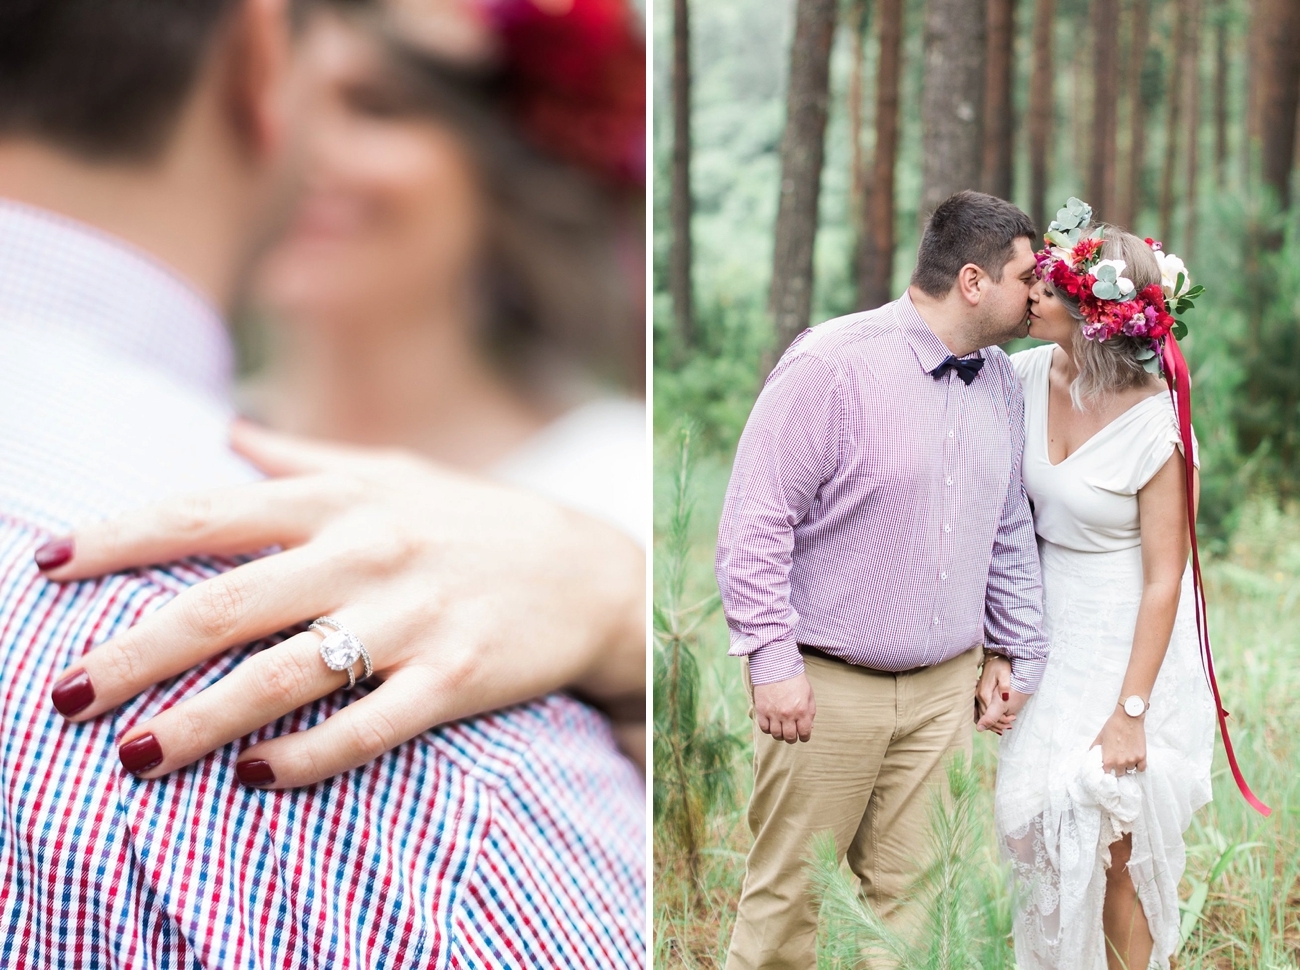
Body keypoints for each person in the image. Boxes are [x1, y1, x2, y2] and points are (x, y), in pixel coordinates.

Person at [0, 0, 643, 965]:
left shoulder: (623, 476)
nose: (319, 151)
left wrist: (626, 618)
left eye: (378, 108)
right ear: (264, 76)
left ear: (495, 163)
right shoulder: (184, 445)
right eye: (318, 97)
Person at [714, 190, 1049, 970]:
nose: (1039, 292)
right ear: (973, 281)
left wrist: (1015, 652)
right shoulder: (830, 365)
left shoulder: (999, 379)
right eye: (1026, 276)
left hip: (942, 697)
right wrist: (772, 662)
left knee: (913, 915)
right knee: (789, 907)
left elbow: (1006, 530)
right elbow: (754, 522)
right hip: (827, 692)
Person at [987, 199, 1216, 970]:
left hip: (1128, 639)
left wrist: (1131, 713)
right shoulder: (1018, 376)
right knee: (1032, 828)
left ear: (1098, 316)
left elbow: (1165, 580)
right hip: (1045, 626)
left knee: (1114, 841)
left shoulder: (1158, 426)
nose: (1034, 295)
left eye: (1052, 288)